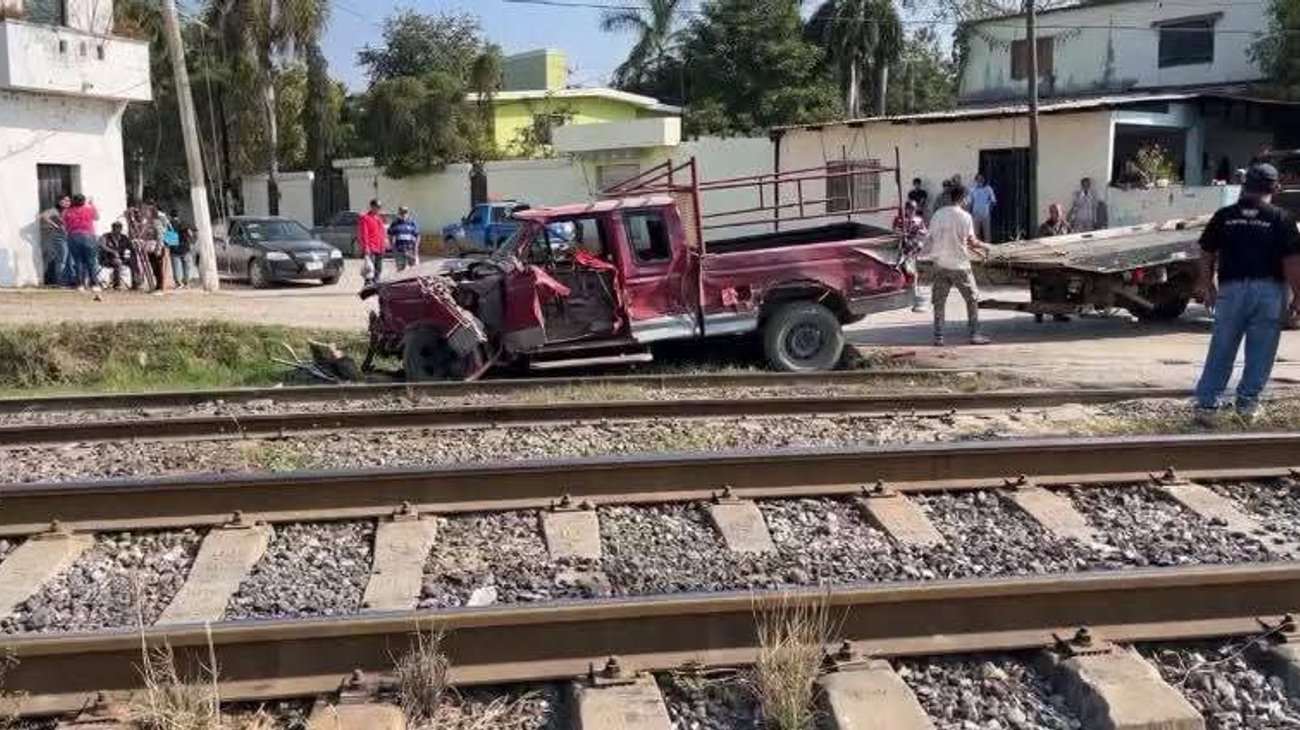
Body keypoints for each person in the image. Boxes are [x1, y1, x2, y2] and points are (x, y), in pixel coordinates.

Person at [1193, 163, 1300, 424]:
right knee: (1261, 351)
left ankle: (1207, 407)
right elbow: (1292, 262)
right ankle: (1247, 407)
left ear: (1244, 185)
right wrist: (1299, 295)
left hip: (1231, 291)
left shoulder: (1225, 215)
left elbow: (1206, 251)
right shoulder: (1281, 218)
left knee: (1221, 348)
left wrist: (1208, 284)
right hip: (1270, 293)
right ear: (1275, 187)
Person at [923, 183, 991, 346]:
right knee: (972, 299)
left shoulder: (938, 214)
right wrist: (986, 247)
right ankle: (974, 334)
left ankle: (938, 337)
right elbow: (971, 241)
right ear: (963, 198)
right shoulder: (965, 217)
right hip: (960, 266)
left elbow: (930, 237)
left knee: (939, 301)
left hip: (940, 264)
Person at [893, 200, 929, 312]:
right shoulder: (899, 219)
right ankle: (900, 289)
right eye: (909, 209)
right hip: (901, 247)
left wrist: (920, 236)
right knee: (899, 268)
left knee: (912, 269)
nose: (911, 211)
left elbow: (924, 232)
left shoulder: (918, 220)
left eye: (913, 209)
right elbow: (895, 231)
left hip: (913, 247)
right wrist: (902, 234)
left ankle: (913, 288)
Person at [63, 194, 100, 292]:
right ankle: (94, 284)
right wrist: (92, 204)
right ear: (83, 201)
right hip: (88, 236)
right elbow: (97, 217)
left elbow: (65, 224)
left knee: (78, 261)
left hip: (73, 236)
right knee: (91, 261)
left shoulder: (67, 212)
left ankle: (80, 284)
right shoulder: (89, 209)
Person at [39, 195, 70, 286]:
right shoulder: (54, 210)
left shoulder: (69, 210)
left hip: (70, 237)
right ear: (59, 201)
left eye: (68, 201)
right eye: (65, 200)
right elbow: (43, 216)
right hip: (59, 238)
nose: (67, 202)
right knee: (62, 259)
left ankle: (69, 279)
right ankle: (60, 281)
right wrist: (54, 225)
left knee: (69, 259)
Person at [99, 221, 140, 290]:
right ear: (112, 228)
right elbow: (102, 246)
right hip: (107, 258)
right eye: (115, 228)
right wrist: (112, 251)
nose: (117, 230)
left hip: (121, 257)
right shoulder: (105, 236)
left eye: (119, 228)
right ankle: (117, 284)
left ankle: (135, 283)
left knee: (133, 260)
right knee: (117, 262)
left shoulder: (124, 237)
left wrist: (135, 246)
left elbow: (130, 247)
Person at [358, 199, 387, 284]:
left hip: (379, 247)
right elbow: (364, 233)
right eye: (377, 207)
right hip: (371, 248)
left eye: (379, 207)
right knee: (370, 269)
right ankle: (368, 286)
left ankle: (376, 284)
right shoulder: (365, 218)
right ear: (371, 207)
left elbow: (382, 233)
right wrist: (366, 247)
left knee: (379, 268)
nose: (378, 209)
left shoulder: (379, 218)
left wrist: (383, 245)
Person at [388, 206, 420, 272]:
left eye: (405, 212)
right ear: (399, 213)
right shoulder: (394, 224)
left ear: (407, 213)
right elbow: (390, 235)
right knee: (400, 271)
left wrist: (416, 249)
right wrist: (393, 247)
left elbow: (417, 236)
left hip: (410, 250)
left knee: (414, 270)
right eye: (402, 212)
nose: (403, 214)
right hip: (399, 251)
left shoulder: (412, 223)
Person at [169, 210, 195, 288]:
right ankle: (186, 283)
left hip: (175, 249)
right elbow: (191, 234)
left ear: (171, 216)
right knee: (186, 267)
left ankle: (178, 283)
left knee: (176, 268)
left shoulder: (170, 225)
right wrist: (191, 242)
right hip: (185, 248)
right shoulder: (184, 223)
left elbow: (170, 239)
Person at [969, 174, 997, 242]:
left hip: (985, 214)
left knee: (987, 232)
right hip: (975, 214)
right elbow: (970, 202)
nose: (980, 181)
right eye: (978, 179)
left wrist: (988, 210)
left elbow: (993, 201)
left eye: (981, 179)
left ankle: (988, 247)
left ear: (983, 180)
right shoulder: (972, 190)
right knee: (975, 232)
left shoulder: (988, 189)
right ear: (975, 181)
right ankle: (976, 247)